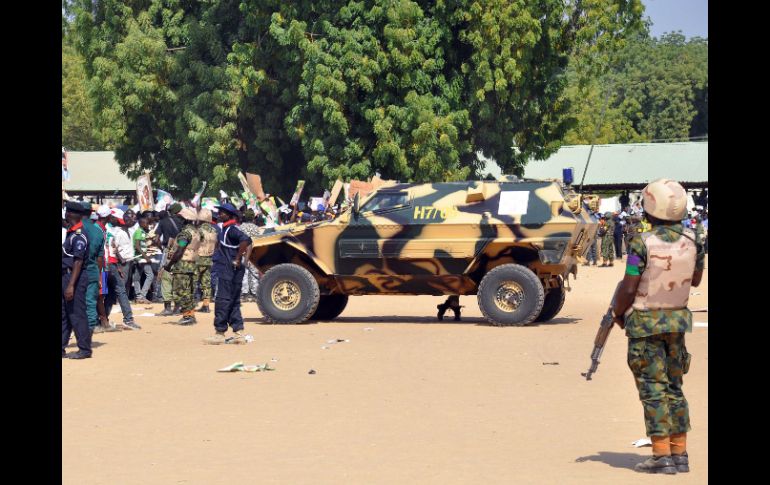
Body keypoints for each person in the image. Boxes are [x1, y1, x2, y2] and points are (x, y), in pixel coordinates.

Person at [611, 178, 704, 474]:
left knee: (652, 389)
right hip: (677, 322)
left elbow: (628, 287)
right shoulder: (693, 239)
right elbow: (697, 279)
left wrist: (617, 313)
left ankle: (660, 455)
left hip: (644, 325)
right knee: (675, 388)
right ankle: (680, 454)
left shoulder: (641, 242)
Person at [204, 203, 252, 344]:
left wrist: (238, 259)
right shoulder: (227, 229)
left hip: (228, 270)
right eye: (219, 212)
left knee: (222, 301)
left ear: (230, 215)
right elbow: (249, 243)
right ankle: (239, 334)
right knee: (233, 301)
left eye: (223, 212)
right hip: (233, 270)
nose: (220, 214)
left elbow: (245, 240)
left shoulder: (230, 229)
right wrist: (244, 260)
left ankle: (219, 333)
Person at [62, 201, 92, 359]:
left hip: (75, 277)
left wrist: (71, 286)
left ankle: (85, 349)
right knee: (64, 313)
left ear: (71, 214)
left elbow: (78, 261)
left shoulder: (79, 234)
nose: (65, 214)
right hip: (66, 276)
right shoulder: (71, 232)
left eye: (67, 212)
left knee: (76, 313)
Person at [163, 208, 201, 325]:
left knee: (181, 291)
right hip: (192, 264)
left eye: (179, 218)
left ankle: (187, 316)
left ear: (184, 219)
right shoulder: (196, 232)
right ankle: (190, 314)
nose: (178, 220)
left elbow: (179, 251)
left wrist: (169, 265)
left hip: (182, 266)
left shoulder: (185, 233)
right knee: (189, 291)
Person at [104, 209, 140, 329]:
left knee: (112, 292)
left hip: (118, 264)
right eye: (132, 218)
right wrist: (120, 262)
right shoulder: (118, 233)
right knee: (121, 290)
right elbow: (113, 248)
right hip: (116, 264)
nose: (134, 220)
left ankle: (103, 319)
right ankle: (128, 319)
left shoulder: (128, 231)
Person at [78, 202, 110, 334]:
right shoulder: (98, 231)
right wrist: (98, 275)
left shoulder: (75, 228)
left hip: (75, 269)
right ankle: (92, 326)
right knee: (91, 299)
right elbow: (100, 258)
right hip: (92, 270)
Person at [155, 204, 184, 316]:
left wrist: (162, 248)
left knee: (165, 277)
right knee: (177, 277)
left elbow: (156, 238)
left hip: (168, 251)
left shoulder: (163, 222)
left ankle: (167, 308)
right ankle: (177, 307)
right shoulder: (183, 222)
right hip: (181, 251)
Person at [195, 209, 218, 313]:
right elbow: (217, 244)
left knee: (193, 282)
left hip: (198, 258)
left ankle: (189, 306)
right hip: (209, 258)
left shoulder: (199, 231)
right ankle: (206, 305)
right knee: (206, 283)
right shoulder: (213, 230)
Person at [131, 213, 157, 304]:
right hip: (140, 258)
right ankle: (141, 296)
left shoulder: (143, 232)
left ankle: (140, 296)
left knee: (137, 277)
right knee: (149, 275)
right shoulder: (139, 232)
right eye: (145, 223)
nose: (147, 225)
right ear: (141, 223)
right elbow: (137, 246)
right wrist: (146, 257)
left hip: (142, 257)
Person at [239, 209, 262, 302]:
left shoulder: (241, 227)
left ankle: (244, 294)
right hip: (254, 253)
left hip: (243, 253)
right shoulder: (256, 228)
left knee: (244, 273)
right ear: (253, 218)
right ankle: (254, 294)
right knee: (254, 273)